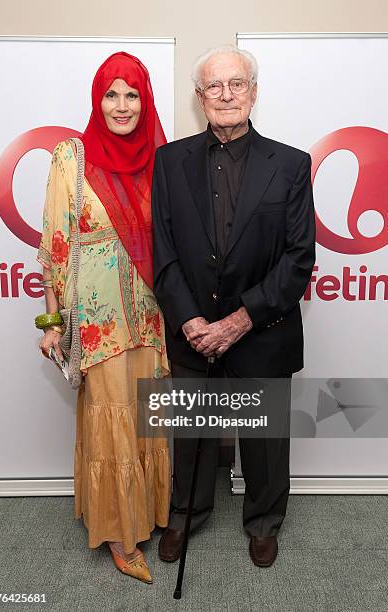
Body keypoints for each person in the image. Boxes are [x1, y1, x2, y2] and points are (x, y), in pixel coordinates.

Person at [152, 45, 315, 567]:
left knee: (265, 442)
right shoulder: (169, 161)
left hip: (262, 328)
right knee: (190, 434)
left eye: (236, 84)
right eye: (214, 87)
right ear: (199, 98)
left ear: (253, 91)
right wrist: (192, 320)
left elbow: (297, 258)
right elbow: (164, 250)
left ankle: (264, 522)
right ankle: (187, 514)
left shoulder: (290, 164)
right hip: (193, 328)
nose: (225, 95)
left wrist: (240, 319)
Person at [37, 52, 171, 584]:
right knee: (112, 423)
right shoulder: (71, 157)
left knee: (148, 419)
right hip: (98, 324)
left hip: (151, 316)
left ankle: (151, 513)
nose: (121, 106)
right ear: (97, 100)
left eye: (132, 94)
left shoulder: (164, 156)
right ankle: (120, 532)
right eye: (111, 94)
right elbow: (54, 245)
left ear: (146, 100)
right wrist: (51, 326)